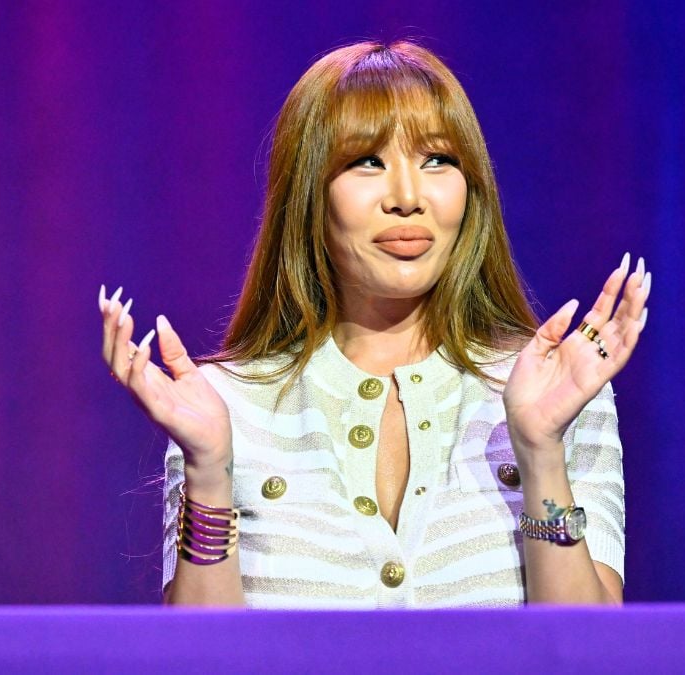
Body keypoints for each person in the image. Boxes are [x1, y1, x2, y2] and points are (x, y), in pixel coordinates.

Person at [99, 40, 650, 608]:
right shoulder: (223, 407)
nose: (408, 197)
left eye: (437, 159)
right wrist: (209, 471)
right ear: (309, 193)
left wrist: (539, 450)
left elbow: (585, 653)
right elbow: (200, 662)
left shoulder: (555, 392)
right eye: (368, 161)